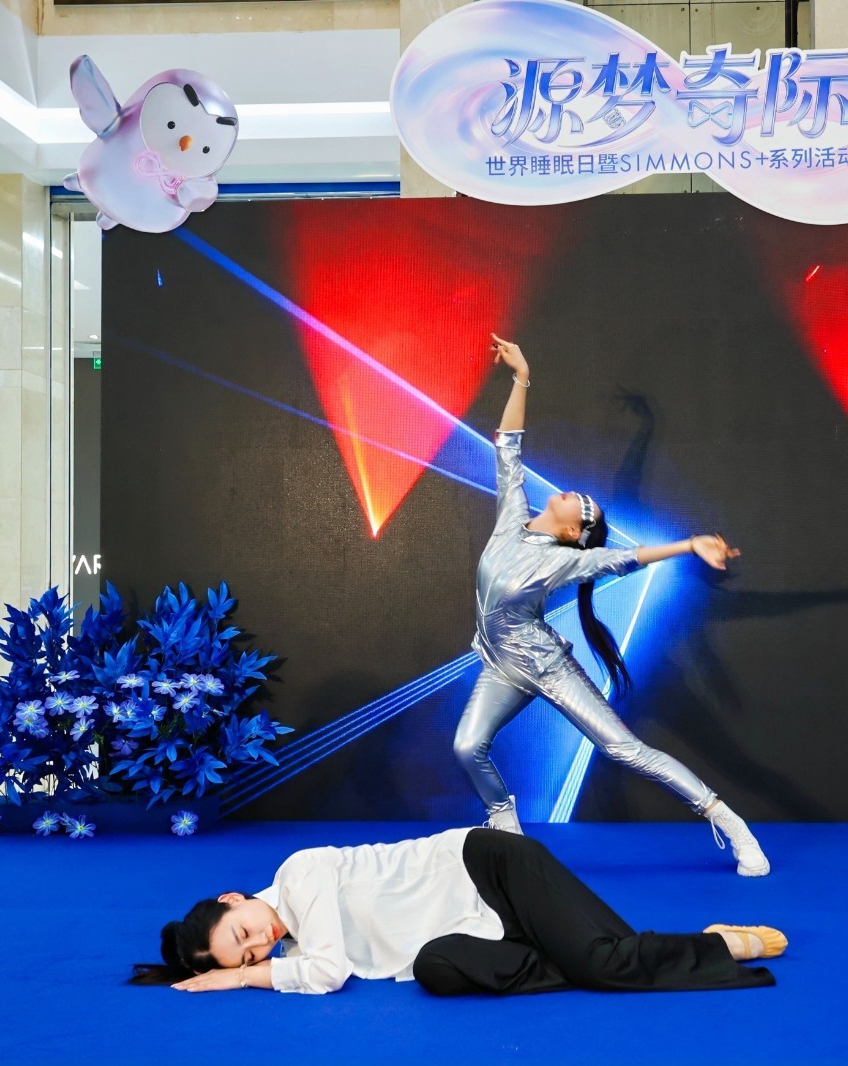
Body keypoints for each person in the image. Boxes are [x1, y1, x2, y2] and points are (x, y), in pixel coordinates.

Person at [453, 334, 770, 877]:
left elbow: (627, 558)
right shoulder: (512, 517)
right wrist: (521, 377)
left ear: (574, 533)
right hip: (501, 665)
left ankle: (727, 819)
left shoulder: (565, 561)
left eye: (584, 505)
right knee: (467, 746)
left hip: (547, 667)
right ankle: (505, 823)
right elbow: (508, 445)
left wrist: (689, 544)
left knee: (623, 750)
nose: (575, 494)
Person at [130, 827, 785, 995]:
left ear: (233, 899)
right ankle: (580, 957)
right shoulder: (297, 950)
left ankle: (719, 944)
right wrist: (264, 968)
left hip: (494, 870)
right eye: (249, 953)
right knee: (435, 969)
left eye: (244, 932)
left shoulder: (299, 874)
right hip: (484, 932)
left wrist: (241, 977)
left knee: (603, 963)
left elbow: (329, 974)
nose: (262, 945)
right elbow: (316, 964)